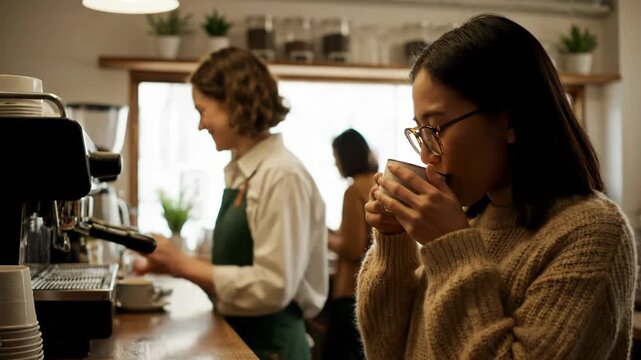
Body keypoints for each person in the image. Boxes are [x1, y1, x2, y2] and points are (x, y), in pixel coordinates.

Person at [356, 14, 637, 359]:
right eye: (420, 132)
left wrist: (450, 247)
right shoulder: (469, 218)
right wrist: (393, 243)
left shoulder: (591, 232)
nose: (428, 154)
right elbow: (385, 350)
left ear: (510, 120)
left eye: (437, 128)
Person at [134, 47, 328, 360]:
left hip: (272, 347)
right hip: (246, 340)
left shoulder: (281, 174)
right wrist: (174, 264)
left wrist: (183, 264)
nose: (200, 125)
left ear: (235, 104)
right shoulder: (245, 171)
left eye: (203, 110)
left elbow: (271, 287)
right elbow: (239, 270)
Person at [323, 128, 378, 360]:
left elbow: (354, 248)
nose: (335, 164)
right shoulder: (376, 183)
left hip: (349, 289)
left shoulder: (353, 190)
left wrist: (325, 239)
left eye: (336, 158)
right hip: (370, 287)